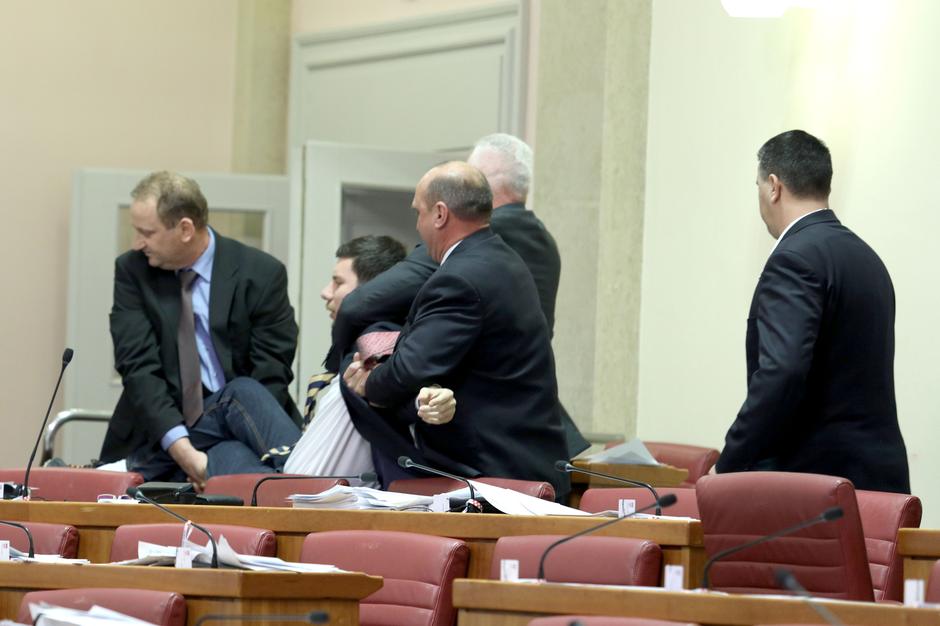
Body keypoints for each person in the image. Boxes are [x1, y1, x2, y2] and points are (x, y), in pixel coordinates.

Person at [343, 161, 570, 498]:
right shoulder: (503, 259)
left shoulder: (459, 279)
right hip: (521, 460)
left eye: (418, 212)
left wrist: (368, 383)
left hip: (495, 475)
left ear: (440, 214)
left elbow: (409, 370)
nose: (417, 225)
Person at [716, 130, 910, 493]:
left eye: (758, 186)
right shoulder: (867, 259)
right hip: (879, 482)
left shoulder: (793, 259)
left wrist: (729, 465)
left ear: (774, 187)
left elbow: (782, 372)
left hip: (814, 486)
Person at [101, 171, 302, 488]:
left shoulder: (261, 273)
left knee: (243, 401)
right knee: (251, 478)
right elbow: (138, 367)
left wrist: (219, 445)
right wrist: (185, 453)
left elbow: (271, 373)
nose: (137, 243)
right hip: (162, 432)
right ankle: (305, 487)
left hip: (240, 425)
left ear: (185, 229)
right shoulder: (133, 270)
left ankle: (139, 468)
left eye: (147, 233)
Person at [285, 235, 455, 476]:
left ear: (372, 290)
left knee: (240, 393)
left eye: (337, 282)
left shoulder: (376, 336)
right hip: (290, 464)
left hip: (303, 488)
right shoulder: (365, 338)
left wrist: (427, 399)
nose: (325, 292)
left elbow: (395, 388)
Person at [468, 133, 589, 457]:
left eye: (468, 179)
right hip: (529, 408)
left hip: (495, 413)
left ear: (483, 185)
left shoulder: (486, 236)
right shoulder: (542, 238)